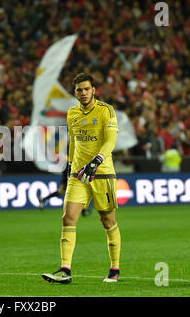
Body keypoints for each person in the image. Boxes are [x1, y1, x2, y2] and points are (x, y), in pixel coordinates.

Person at [41, 73, 121, 284]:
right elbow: (74, 142)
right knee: (68, 218)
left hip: (102, 172)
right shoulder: (72, 113)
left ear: (94, 90)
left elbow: (110, 141)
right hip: (78, 175)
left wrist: (95, 161)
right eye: (79, 90)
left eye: (87, 89)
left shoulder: (106, 110)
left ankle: (115, 269)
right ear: (74, 92)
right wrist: (70, 167)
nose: (83, 93)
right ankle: (65, 269)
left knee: (108, 221)